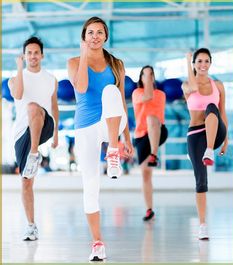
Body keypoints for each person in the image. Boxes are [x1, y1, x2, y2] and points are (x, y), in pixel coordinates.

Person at [67, 17, 133, 261]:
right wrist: (84, 55)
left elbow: (122, 100)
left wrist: (127, 139)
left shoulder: (116, 64)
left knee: (110, 91)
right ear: (84, 37)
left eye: (99, 32)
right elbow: (82, 88)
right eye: (90, 33)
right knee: (90, 185)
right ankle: (97, 243)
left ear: (106, 36)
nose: (95, 36)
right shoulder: (74, 62)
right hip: (86, 126)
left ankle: (113, 151)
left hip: (112, 123)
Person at [8, 36, 59, 241]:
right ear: (24, 55)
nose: (32, 56)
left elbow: (54, 106)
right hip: (22, 133)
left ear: (42, 55)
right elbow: (19, 94)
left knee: (33, 108)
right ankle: (31, 225)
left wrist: (56, 134)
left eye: (36, 52)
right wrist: (20, 69)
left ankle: (35, 153)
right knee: (26, 182)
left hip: (44, 124)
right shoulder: (14, 79)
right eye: (29, 53)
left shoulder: (51, 79)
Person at [182, 48, 228, 240]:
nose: (202, 65)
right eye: (198, 61)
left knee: (212, 107)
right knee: (200, 181)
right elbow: (193, 87)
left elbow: (222, 112)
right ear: (194, 64)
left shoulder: (218, 85)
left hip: (216, 133)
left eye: (206, 61)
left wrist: (226, 140)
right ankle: (202, 225)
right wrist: (187, 60)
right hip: (196, 134)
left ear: (210, 63)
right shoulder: (187, 85)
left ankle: (209, 150)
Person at [132, 65, 168, 221]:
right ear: (140, 78)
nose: (148, 77)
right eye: (145, 75)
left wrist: (147, 79)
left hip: (158, 131)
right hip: (141, 136)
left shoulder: (160, 94)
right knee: (146, 175)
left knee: (151, 118)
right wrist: (146, 78)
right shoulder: (136, 93)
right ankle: (149, 210)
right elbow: (145, 96)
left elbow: (150, 97)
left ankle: (154, 154)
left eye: (151, 74)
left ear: (153, 78)